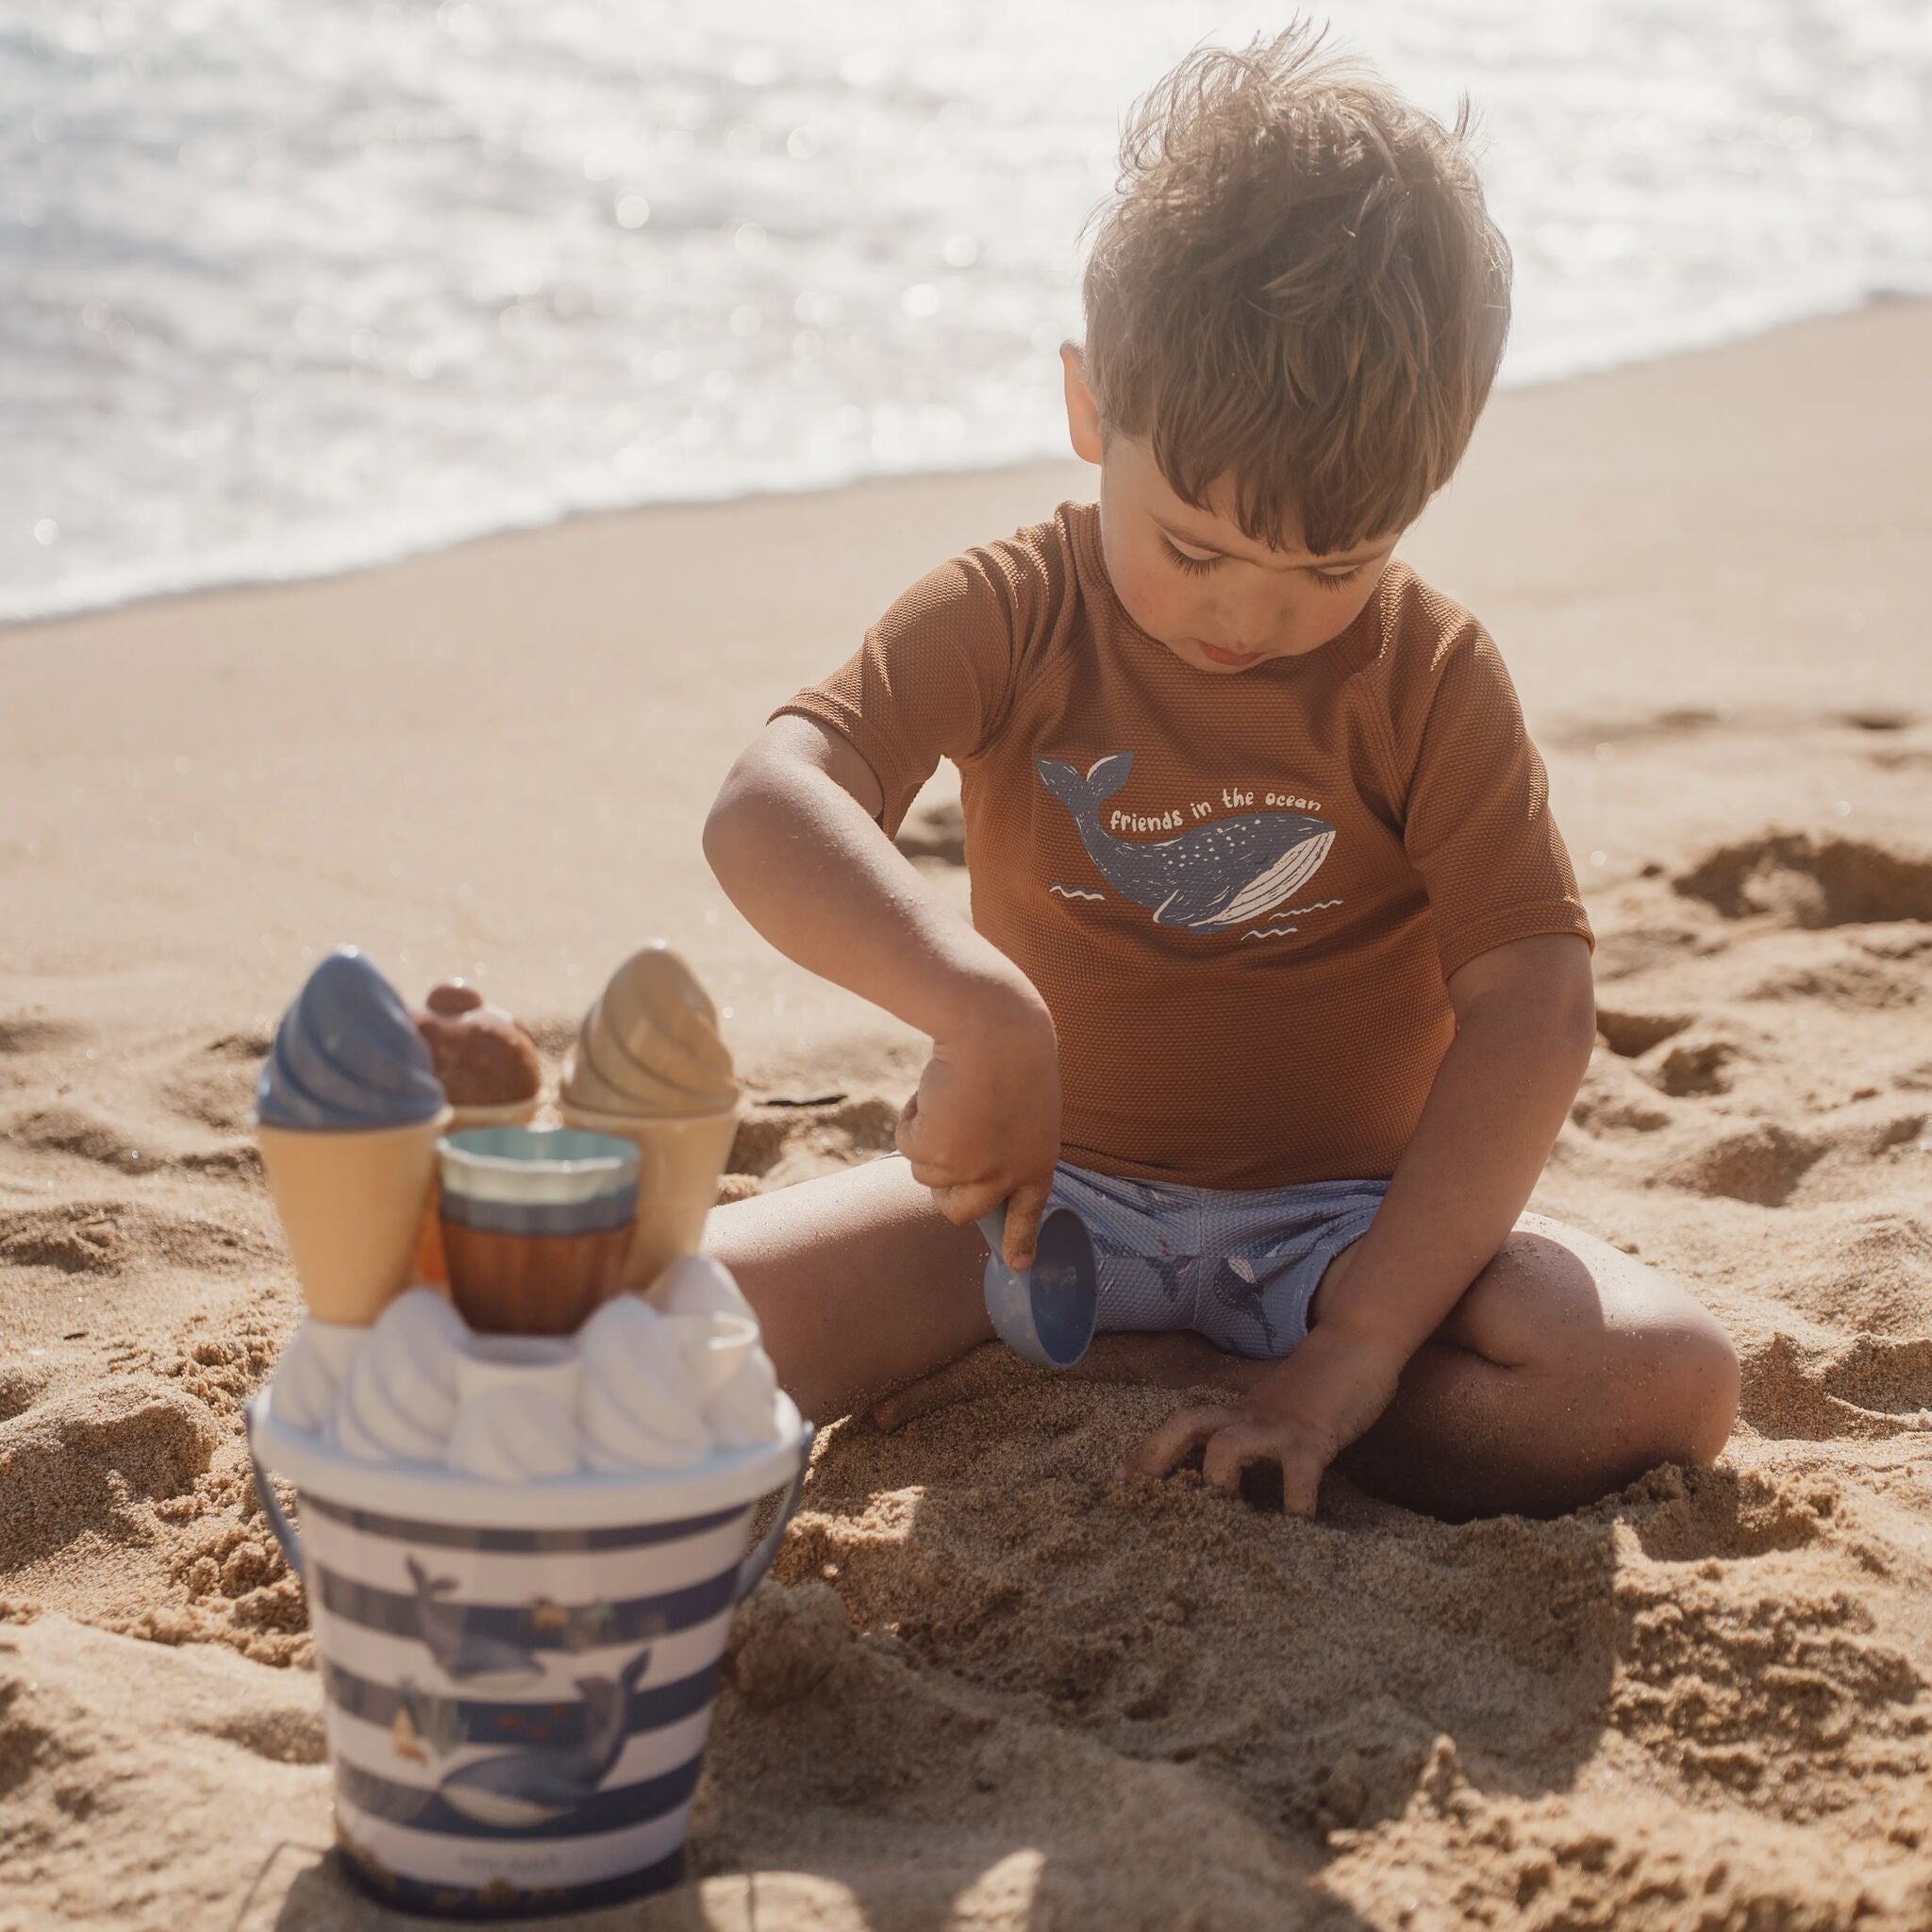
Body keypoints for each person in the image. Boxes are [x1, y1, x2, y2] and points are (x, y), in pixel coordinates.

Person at [700, 25, 1739, 1521]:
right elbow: (768, 801)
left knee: (1665, 1379)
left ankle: (1281, 1391)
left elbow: (1535, 1006)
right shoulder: (1011, 608)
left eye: (1331, 565)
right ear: (1090, 409)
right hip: (1035, 1206)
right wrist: (972, 1004)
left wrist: (1368, 1338)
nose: (1250, 615)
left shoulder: (1428, 674)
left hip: (1347, 1234)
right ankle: (1147, 1354)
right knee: (671, 1324)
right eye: (1195, 548)